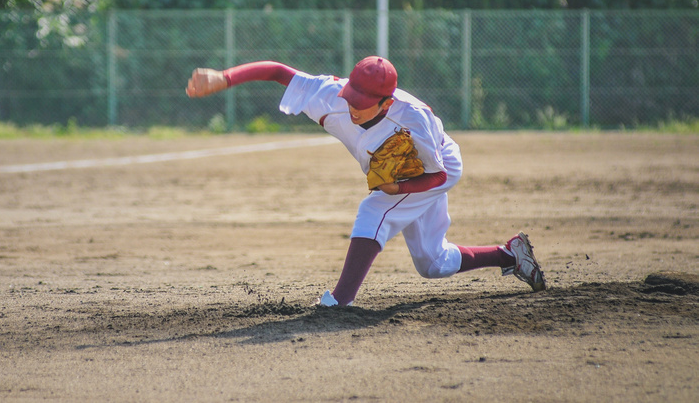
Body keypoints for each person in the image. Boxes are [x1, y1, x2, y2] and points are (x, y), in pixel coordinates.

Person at [185, 57, 546, 306]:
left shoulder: (414, 118)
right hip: (408, 176)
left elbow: (437, 174)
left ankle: (339, 300)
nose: (353, 107)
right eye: (352, 97)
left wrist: (399, 188)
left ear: (387, 103)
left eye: (364, 102)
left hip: (436, 169)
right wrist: (225, 77)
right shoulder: (331, 95)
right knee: (433, 263)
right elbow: (278, 71)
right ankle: (509, 253)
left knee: (375, 209)